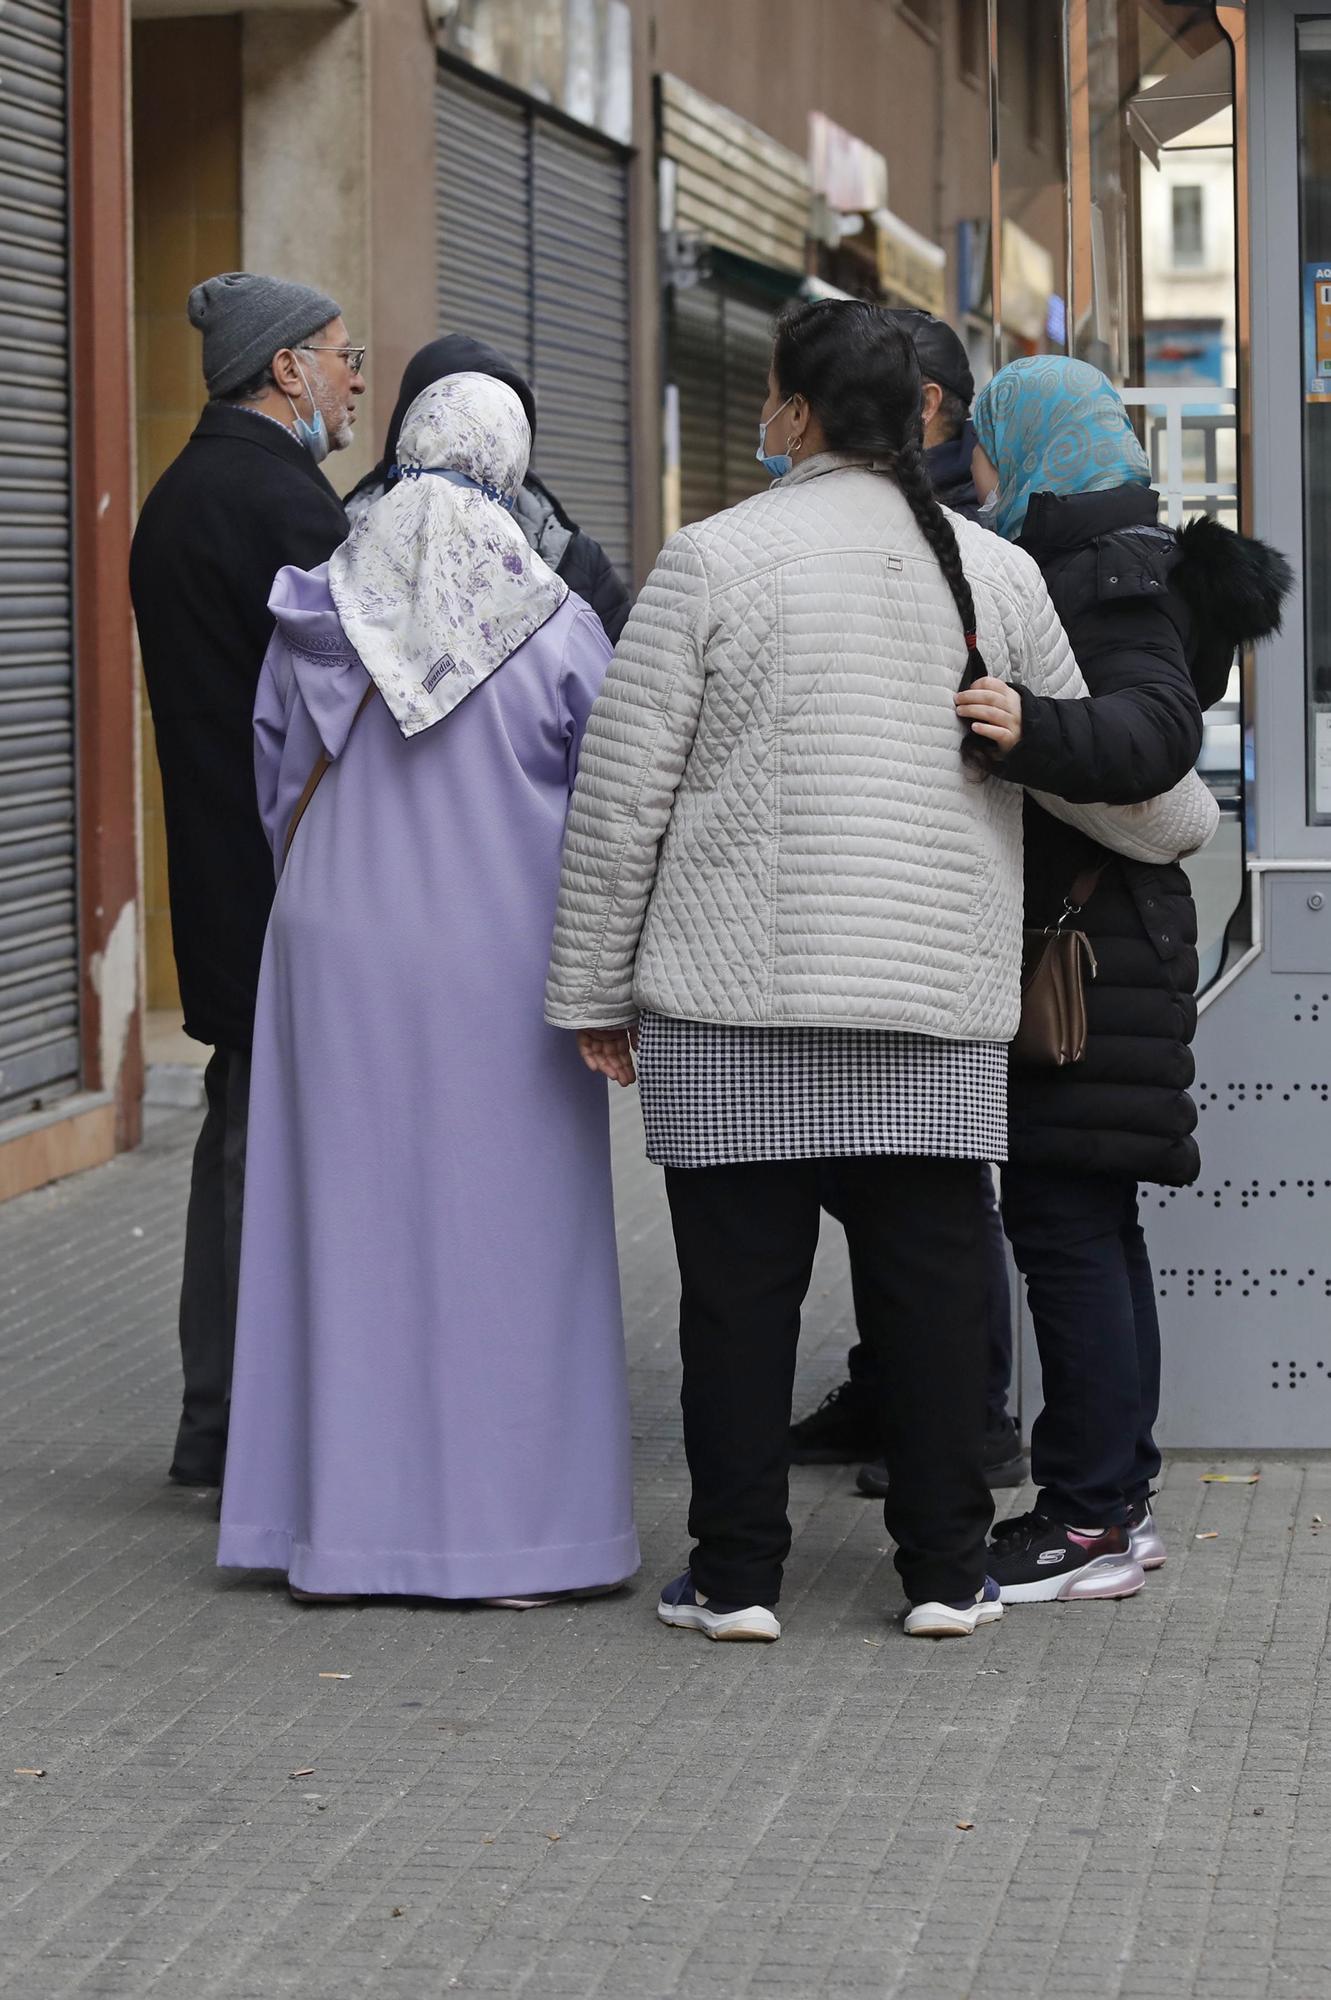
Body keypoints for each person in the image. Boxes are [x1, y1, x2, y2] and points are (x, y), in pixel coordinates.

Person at [545, 299, 1218, 1644]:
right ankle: (943, 1573)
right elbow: (1084, 758)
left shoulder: (709, 560)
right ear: (923, 416)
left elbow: (621, 798)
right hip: (927, 1003)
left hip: (730, 1002)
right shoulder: (988, 573)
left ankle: (735, 1578)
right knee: (930, 1294)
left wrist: (589, 993)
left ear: (792, 412)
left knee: (736, 1305)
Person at [217, 373, 639, 1605]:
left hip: (336, 946)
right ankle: (519, 1538)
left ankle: (335, 1531)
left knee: (343, 1231)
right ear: (507, 463)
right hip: (502, 960)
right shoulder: (554, 619)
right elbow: (605, 808)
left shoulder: (319, 608)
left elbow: (272, 783)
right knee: (511, 1242)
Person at [969, 354, 1291, 1604]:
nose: (979, 467)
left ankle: (1089, 1515)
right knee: (1088, 1225)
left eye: (991, 443)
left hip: (1083, 949)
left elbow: (1156, 736)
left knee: (1063, 1229)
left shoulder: (1102, 572)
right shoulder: (1107, 557)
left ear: (1041, 444)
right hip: (1104, 943)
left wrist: (1020, 726)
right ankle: (1115, 1500)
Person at [130, 272, 365, 1489]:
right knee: (261, 1147)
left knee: (237, 1129)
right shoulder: (281, 505)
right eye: (340, 354)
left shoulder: (182, 493)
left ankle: (215, 1417)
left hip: (226, 881)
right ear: (284, 369)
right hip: (285, 882)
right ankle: (236, 1428)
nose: (355, 376)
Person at [791, 308, 1023, 1493]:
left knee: (927, 1204)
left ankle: (961, 1425)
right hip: (884, 924)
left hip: (916, 932)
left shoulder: (979, 554)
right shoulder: (965, 545)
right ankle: (908, 1403)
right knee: (895, 1194)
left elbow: (1130, 761)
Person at [344, 334, 633, 642]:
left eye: (500, 429)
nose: (479, 451)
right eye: (460, 429)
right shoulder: (345, 543)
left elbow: (617, 679)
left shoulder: (574, 561)